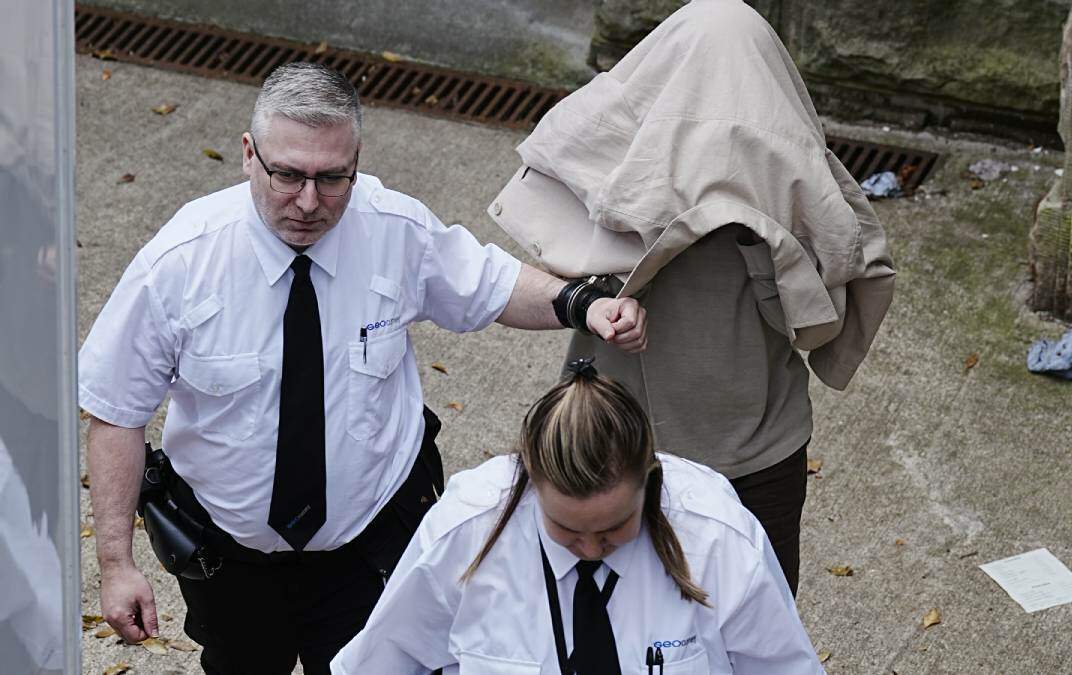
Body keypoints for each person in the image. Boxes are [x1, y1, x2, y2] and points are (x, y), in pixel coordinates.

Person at [78, 62, 647, 674]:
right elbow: (116, 412)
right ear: (248, 155)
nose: (308, 202)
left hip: (369, 550)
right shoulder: (179, 262)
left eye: (331, 178)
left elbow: (491, 285)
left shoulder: (394, 229)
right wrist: (116, 564)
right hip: (230, 559)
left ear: (356, 162)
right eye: (287, 174)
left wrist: (584, 304)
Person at [487, 0, 896, 594]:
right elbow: (556, 260)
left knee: (753, 611)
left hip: (753, 450)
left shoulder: (791, 177)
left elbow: (823, 307)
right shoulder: (626, 159)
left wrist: (760, 231)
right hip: (624, 442)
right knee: (614, 608)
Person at [331, 359, 826, 674]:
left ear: (650, 480)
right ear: (530, 481)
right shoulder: (464, 531)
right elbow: (382, 661)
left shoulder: (718, 539)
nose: (590, 549)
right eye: (566, 529)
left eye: (613, 529)